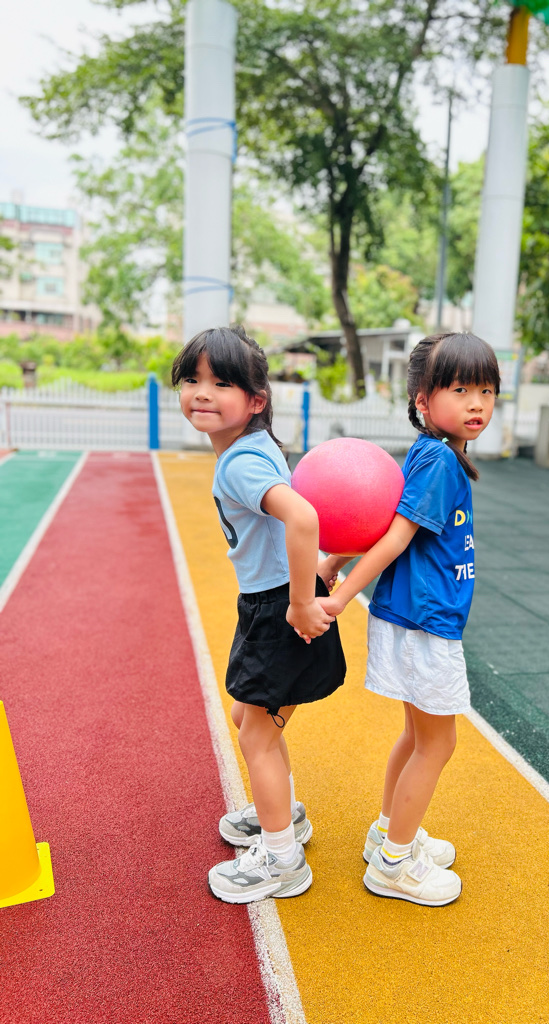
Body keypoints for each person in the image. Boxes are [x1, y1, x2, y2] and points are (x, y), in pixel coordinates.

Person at [318, 332, 499, 906]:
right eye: (460, 390)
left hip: (413, 619)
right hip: (424, 623)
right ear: (423, 399)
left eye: (487, 391)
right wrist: (341, 595)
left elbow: (380, 519)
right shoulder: (441, 460)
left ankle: (388, 833)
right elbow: (395, 537)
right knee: (437, 745)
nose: (477, 404)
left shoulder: (430, 451)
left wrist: (334, 563)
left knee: (418, 736)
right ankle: (394, 862)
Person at [172, 325, 347, 903]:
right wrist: (321, 571)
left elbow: (302, 517)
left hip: (279, 611)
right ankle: (283, 814)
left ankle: (281, 860)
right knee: (250, 721)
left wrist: (300, 600)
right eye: (192, 379)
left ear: (255, 400)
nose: (202, 392)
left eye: (222, 382)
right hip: (271, 603)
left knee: (256, 738)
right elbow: (295, 526)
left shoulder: (240, 464)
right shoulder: (256, 447)